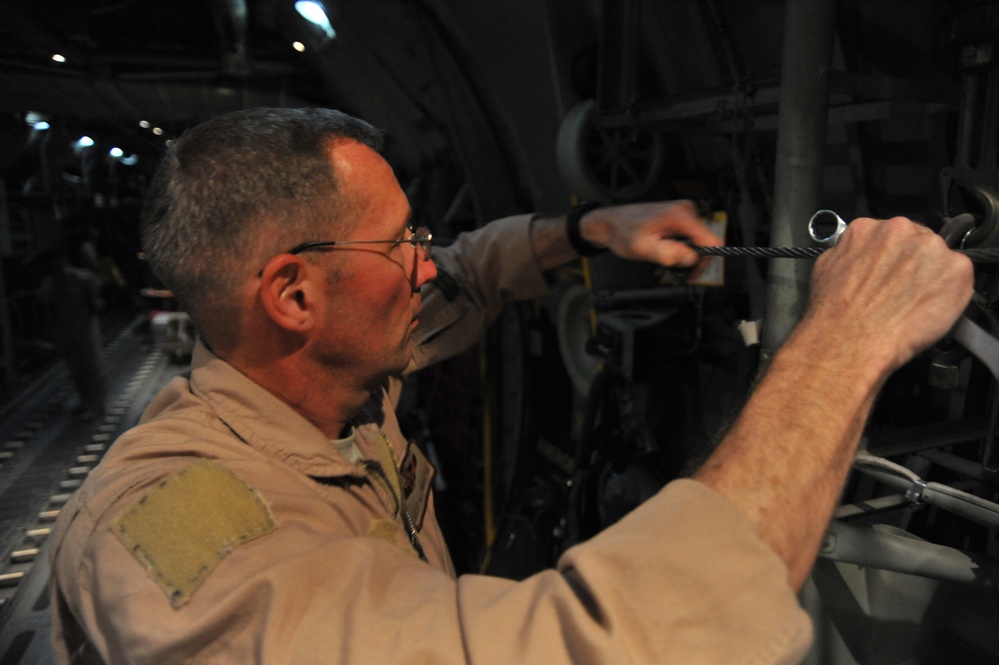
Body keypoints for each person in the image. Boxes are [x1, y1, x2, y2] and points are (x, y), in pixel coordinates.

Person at [48, 107, 973, 664]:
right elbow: (606, 644)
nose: (424, 265)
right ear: (293, 294)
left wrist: (590, 230)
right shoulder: (177, 525)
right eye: (401, 243)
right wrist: (850, 337)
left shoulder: (329, 378)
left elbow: (472, 272)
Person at [37, 241, 107, 420]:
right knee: (76, 370)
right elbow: (43, 301)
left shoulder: (82, 278)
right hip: (65, 330)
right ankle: (86, 401)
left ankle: (96, 404)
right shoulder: (51, 282)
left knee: (91, 367)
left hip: (86, 329)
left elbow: (97, 299)